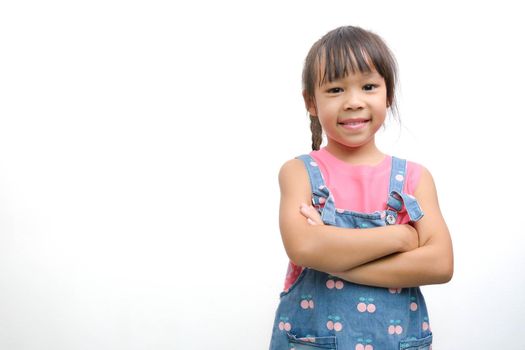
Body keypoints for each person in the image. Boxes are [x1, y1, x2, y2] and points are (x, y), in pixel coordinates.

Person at [269, 26, 453, 350]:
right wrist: (399, 237)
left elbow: (440, 264)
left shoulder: (414, 178)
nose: (354, 102)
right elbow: (304, 248)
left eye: (368, 86)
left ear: (388, 94)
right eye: (336, 89)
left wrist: (333, 254)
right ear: (310, 101)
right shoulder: (298, 173)